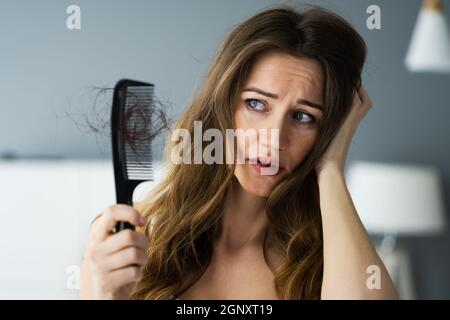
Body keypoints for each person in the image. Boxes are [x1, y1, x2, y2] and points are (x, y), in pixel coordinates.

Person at [80, 4, 398, 300]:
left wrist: (330, 167)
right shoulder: (130, 241)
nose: (274, 138)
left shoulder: (329, 264)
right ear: (222, 109)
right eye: (256, 104)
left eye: (304, 117)